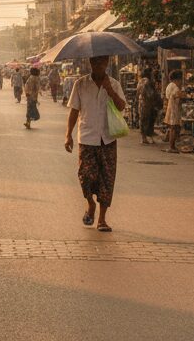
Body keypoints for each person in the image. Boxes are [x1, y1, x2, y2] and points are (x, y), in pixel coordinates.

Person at [64, 55, 128, 232]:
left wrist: (110, 91)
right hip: (87, 138)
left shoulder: (114, 84)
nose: (98, 65)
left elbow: (122, 106)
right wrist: (68, 135)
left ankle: (102, 219)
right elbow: (74, 111)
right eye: (95, 62)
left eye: (102, 62)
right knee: (86, 177)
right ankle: (90, 204)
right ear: (90, 63)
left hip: (108, 138)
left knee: (106, 179)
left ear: (107, 62)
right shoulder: (80, 84)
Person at [163, 71, 183, 153]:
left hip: (170, 108)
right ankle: (172, 147)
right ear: (177, 79)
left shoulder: (169, 86)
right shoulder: (175, 87)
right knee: (173, 128)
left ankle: (172, 146)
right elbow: (179, 96)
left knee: (172, 127)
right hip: (174, 109)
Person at [138, 76, 161, 144]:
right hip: (147, 105)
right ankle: (145, 138)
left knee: (146, 121)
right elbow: (150, 95)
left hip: (145, 105)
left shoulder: (142, 82)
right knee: (146, 121)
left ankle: (145, 137)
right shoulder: (146, 83)